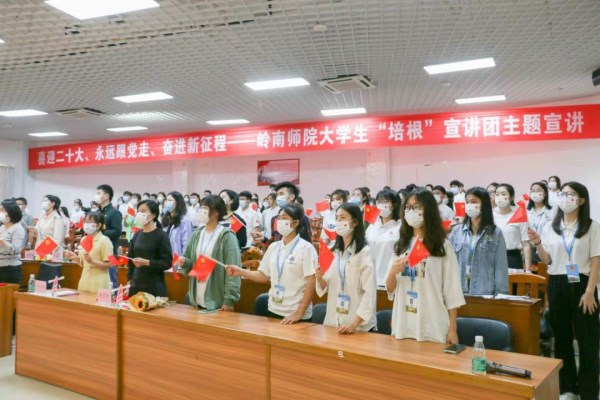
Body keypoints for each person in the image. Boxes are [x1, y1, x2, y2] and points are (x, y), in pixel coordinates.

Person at [529, 182, 599, 400]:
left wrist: (590, 291)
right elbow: (547, 260)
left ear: (581, 200)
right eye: (563, 194)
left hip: (583, 284)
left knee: (588, 340)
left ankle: (588, 391)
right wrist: (537, 243)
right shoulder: (551, 226)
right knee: (562, 338)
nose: (566, 198)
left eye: (571, 194)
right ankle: (568, 388)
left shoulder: (591, 226)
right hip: (558, 283)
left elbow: (596, 260)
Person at [385, 188, 465, 343]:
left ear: (429, 210)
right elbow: (390, 288)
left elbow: (452, 291)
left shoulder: (441, 246)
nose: (411, 211)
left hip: (432, 324)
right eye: (408, 207)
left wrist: (453, 328)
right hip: (404, 323)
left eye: (416, 207)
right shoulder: (400, 245)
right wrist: (392, 273)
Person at [227, 203, 317, 323]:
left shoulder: (306, 248)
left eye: (284, 218)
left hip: (296, 314)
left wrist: (299, 313)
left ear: (295, 223)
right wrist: (241, 271)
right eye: (279, 218)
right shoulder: (274, 247)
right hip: (274, 309)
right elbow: (264, 275)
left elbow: (311, 283)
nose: (280, 221)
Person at [315, 203, 376, 333]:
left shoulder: (364, 253)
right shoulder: (332, 252)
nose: (338, 222)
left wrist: (354, 325)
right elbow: (326, 286)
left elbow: (369, 293)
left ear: (355, 222)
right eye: (337, 218)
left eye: (342, 218)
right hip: (333, 322)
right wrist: (319, 278)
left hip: (357, 326)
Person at [176, 195, 241, 311]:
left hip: (217, 300)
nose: (201, 211)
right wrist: (184, 262)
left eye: (205, 208)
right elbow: (189, 261)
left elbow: (233, 271)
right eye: (201, 208)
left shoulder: (227, 236)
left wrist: (229, 299)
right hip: (196, 297)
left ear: (216, 212)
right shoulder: (197, 233)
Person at [449, 187, 508, 295]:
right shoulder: (457, 231)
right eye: (467, 202)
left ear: (484, 204)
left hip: (484, 293)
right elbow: (449, 264)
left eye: (474, 202)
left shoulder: (495, 233)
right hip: (460, 293)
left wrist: (501, 295)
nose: (469, 205)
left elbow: (501, 267)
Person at [127, 200, 173, 297]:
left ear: (153, 215)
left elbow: (167, 263)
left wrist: (146, 262)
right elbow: (130, 261)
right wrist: (129, 281)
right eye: (138, 211)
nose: (139, 214)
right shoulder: (137, 235)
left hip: (154, 286)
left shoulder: (161, 235)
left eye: (143, 211)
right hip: (136, 284)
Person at [64, 212, 113, 293]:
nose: (86, 225)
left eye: (89, 222)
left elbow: (110, 264)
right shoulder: (84, 239)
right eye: (85, 222)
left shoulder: (105, 240)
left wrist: (92, 261)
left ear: (99, 225)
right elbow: (83, 263)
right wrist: (74, 257)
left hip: (99, 282)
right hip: (85, 280)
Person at [366, 189, 402, 286]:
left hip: (389, 280)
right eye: (379, 202)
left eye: (385, 201)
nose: (381, 205)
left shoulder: (400, 227)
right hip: (370, 279)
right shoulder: (372, 226)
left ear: (394, 205)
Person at [493, 183, 531, 271]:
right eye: (497, 194)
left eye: (503, 194)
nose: (499, 197)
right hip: (493, 256)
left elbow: (526, 244)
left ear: (511, 197)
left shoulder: (519, 215)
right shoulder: (490, 215)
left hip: (512, 258)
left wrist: (528, 270)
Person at [96, 184, 122, 287]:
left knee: (111, 283)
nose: (96, 196)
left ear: (106, 196)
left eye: (98, 193)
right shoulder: (97, 213)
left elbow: (117, 232)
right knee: (98, 284)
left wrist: (100, 232)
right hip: (96, 252)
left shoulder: (114, 212)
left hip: (110, 253)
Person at [0, 199, 27, 283]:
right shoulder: (2, 227)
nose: (0, 212)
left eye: (3, 210)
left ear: (11, 212)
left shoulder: (18, 228)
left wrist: (2, 241)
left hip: (10, 269)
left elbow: (16, 250)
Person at [527, 182, 554, 264]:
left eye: (538, 190)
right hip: (530, 247)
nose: (535, 193)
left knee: (545, 269)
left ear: (545, 193)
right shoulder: (526, 211)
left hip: (546, 247)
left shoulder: (551, 211)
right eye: (533, 191)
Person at [161, 191, 194, 257]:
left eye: (170, 200)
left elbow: (187, 245)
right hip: (165, 257)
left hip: (177, 259)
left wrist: (183, 260)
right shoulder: (166, 219)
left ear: (178, 203)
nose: (167, 202)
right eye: (166, 200)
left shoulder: (185, 221)